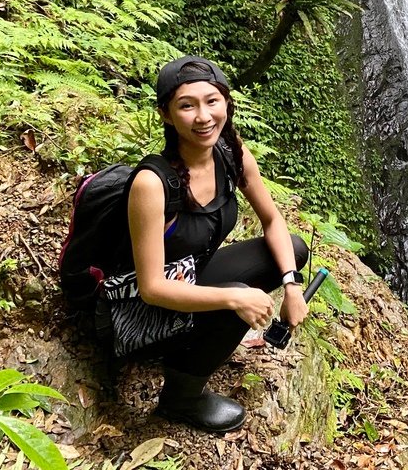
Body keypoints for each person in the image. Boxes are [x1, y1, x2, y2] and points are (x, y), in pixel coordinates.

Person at [119, 55, 309, 432]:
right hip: (134, 312)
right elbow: (152, 288)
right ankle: (181, 398)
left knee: (293, 249)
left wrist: (291, 285)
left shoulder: (230, 153)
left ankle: (205, 329)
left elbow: (272, 219)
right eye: (186, 105)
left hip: (189, 275)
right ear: (166, 115)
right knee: (237, 296)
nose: (203, 116)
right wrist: (233, 297)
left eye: (212, 101)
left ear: (226, 103)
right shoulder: (152, 184)